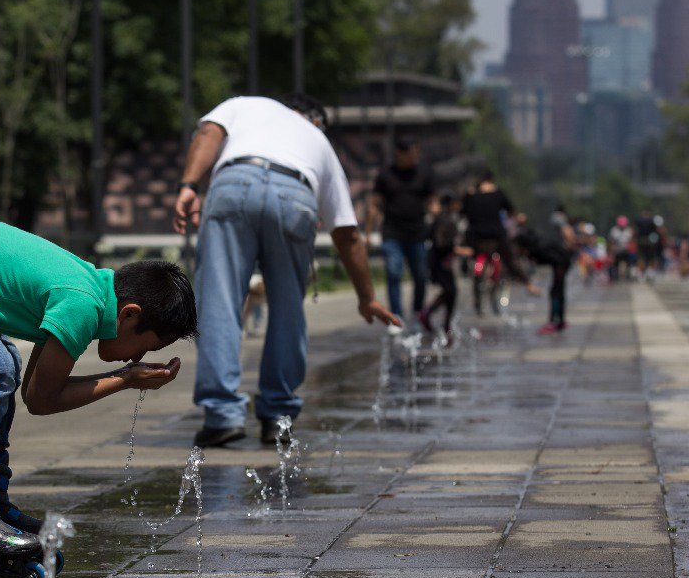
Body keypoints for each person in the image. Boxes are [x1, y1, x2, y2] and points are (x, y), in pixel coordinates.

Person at [0, 217, 196, 578]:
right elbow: (43, 401)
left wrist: (124, 378)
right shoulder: (82, 304)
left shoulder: (85, 289)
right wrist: (124, 380)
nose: (137, 358)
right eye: (146, 346)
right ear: (130, 313)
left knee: (4, 363)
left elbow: (33, 393)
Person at [173, 94, 400, 448]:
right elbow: (347, 233)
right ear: (314, 121)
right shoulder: (319, 141)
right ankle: (277, 417)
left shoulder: (246, 104)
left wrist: (189, 185)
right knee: (288, 308)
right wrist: (367, 297)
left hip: (235, 180)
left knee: (218, 302)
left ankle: (221, 415)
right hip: (294, 192)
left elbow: (208, 133)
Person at [365, 136, 433, 324]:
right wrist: (368, 234)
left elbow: (432, 200)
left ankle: (418, 312)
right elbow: (374, 204)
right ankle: (397, 316)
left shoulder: (423, 173)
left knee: (420, 275)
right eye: (411, 153)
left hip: (417, 232)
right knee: (394, 272)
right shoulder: (386, 174)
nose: (415, 157)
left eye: (416, 153)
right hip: (392, 232)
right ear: (399, 154)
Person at [461, 170, 538, 314]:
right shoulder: (497, 193)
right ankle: (528, 284)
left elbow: (463, 211)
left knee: (476, 263)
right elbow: (511, 211)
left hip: (476, 237)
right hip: (496, 235)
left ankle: (477, 300)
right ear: (491, 180)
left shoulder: (471, 195)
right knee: (510, 260)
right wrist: (519, 218)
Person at [419, 193, 472, 335]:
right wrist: (458, 250)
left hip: (442, 261)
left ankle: (445, 324)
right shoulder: (444, 219)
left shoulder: (446, 218)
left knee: (451, 292)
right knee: (450, 291)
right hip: (439, 262)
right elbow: (440, 242)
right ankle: (429, 314)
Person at [514, 227, 572, 335]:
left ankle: (553, 322)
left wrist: (559, 274)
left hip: (561, 264)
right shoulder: (536, 247)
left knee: (555, 293)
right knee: (559, 293)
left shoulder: (538, 248)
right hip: (561, 263)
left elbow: (557, 259)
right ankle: (560, 322)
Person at [608, 215, 635, 282]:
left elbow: (632, 241)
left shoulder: (629, 230)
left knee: (630, 263)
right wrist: (611, 250)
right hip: (617, 251)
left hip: (626, 251)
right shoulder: (614, 230)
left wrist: (630, 247)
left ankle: (628, 275)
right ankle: (614, 276)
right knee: (614, 264)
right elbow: (611, 241)